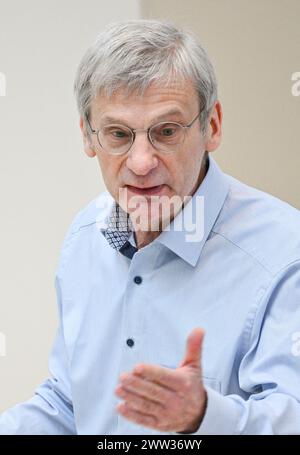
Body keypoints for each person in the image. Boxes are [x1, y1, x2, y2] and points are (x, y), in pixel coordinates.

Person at [1, 18, 300, 436]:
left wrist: (203, 416)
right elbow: (68, 404)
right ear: (88, 137)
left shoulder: (286, 253)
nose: (141, 163)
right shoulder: (85, 237)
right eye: (119, 134)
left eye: (166, 131)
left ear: (211, 126)